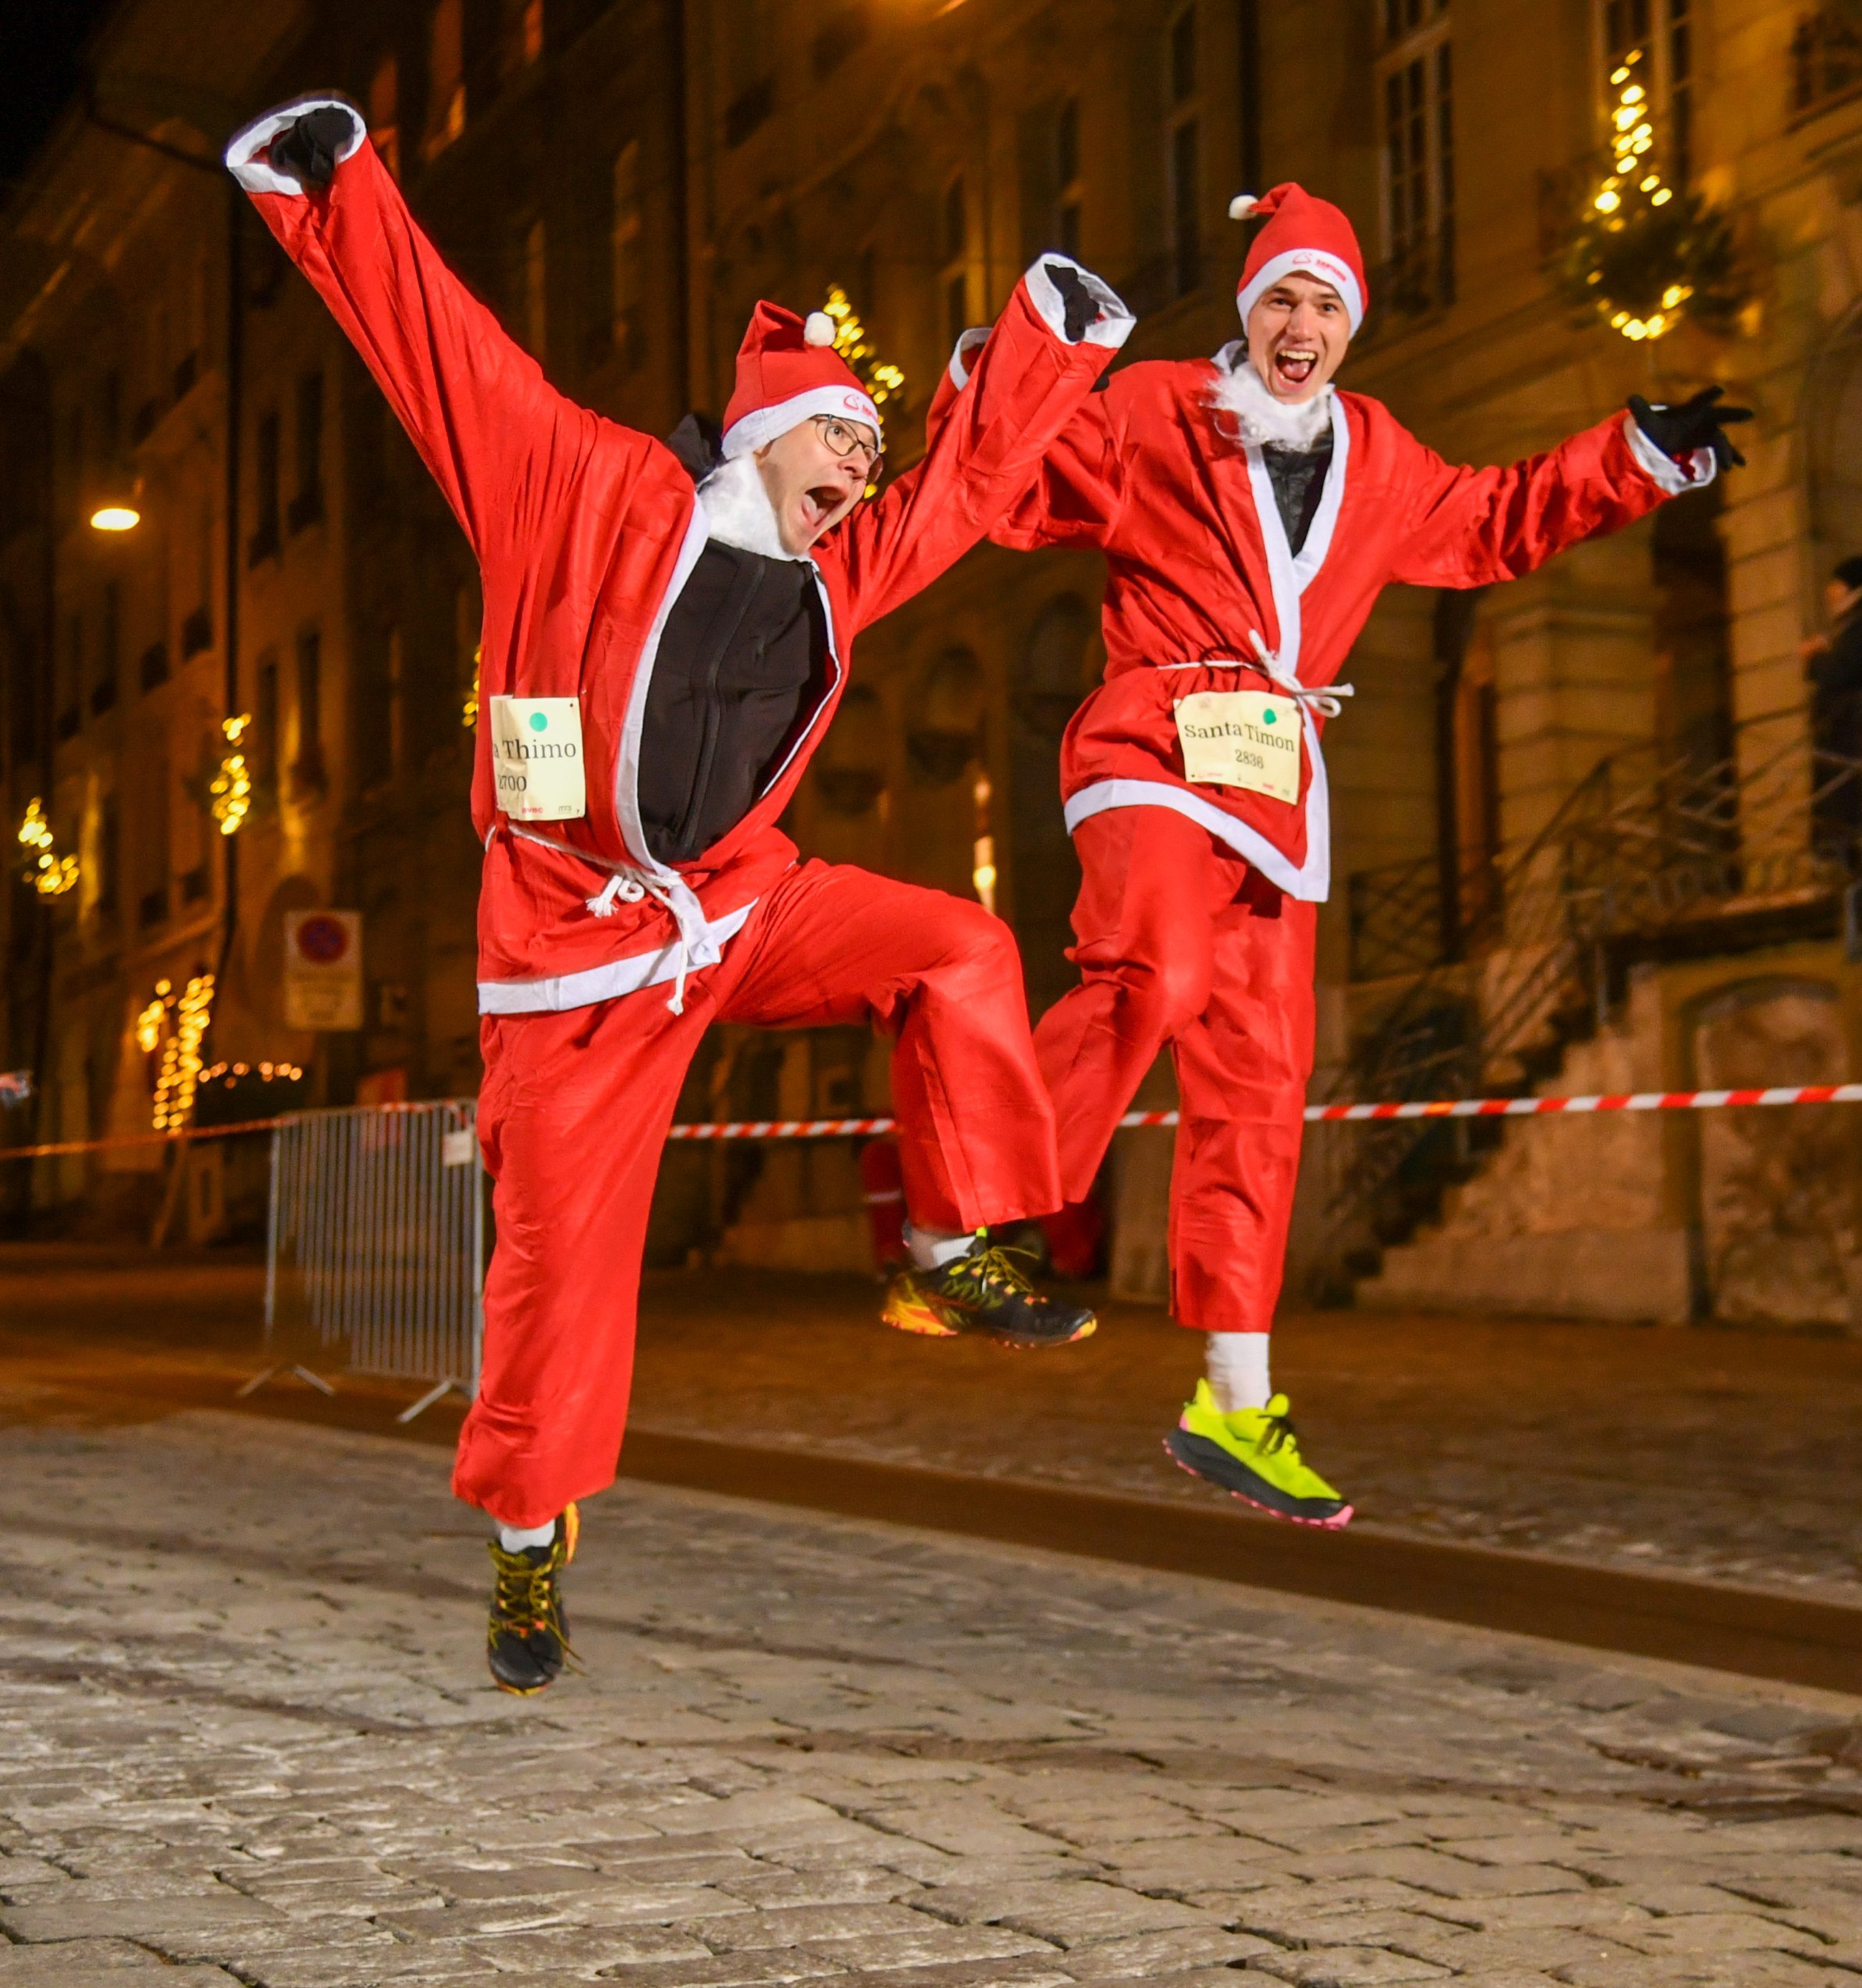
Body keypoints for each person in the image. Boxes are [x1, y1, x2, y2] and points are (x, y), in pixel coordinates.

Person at [226, 95, 1135, 1693]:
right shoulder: (586, 490)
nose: (865, 462)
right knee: (557, 1273)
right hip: (574, 958)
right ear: (763, 434)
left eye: (871, 441)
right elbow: (448, 357)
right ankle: (525, 1548)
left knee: (959, 945)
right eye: (841, 433)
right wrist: (335, 184)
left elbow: (974, 482)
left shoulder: (843, 564)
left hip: (736, 908)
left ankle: (953, 1237)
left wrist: (1054, 338)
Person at [928, 183, 1751, 1527]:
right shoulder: (1152, 411)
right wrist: (1018, 349)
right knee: (1155, 965)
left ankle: (1233, 1401)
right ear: (1244, 313)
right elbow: (1007, 482)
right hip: (1148, 736)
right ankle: (968, 1221)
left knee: (1260, 1081)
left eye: (1322, 306)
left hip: (1272, 784)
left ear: (1346, 329)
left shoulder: (1379, 455)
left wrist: (1636, 453)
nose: (1298, 325)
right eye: (1278, 301)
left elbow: (1495, 518)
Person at [1803, 545, 1862, 871]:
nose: (1828, 592)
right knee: (1843, 797)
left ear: (1847, 588)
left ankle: (1861, 859)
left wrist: (1816, 658)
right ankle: (1846, 855)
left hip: (1857, 731)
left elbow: (1842, 674)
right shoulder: (1858, 623)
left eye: (1834, 584)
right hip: (1848, 730)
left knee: (1854, 799)